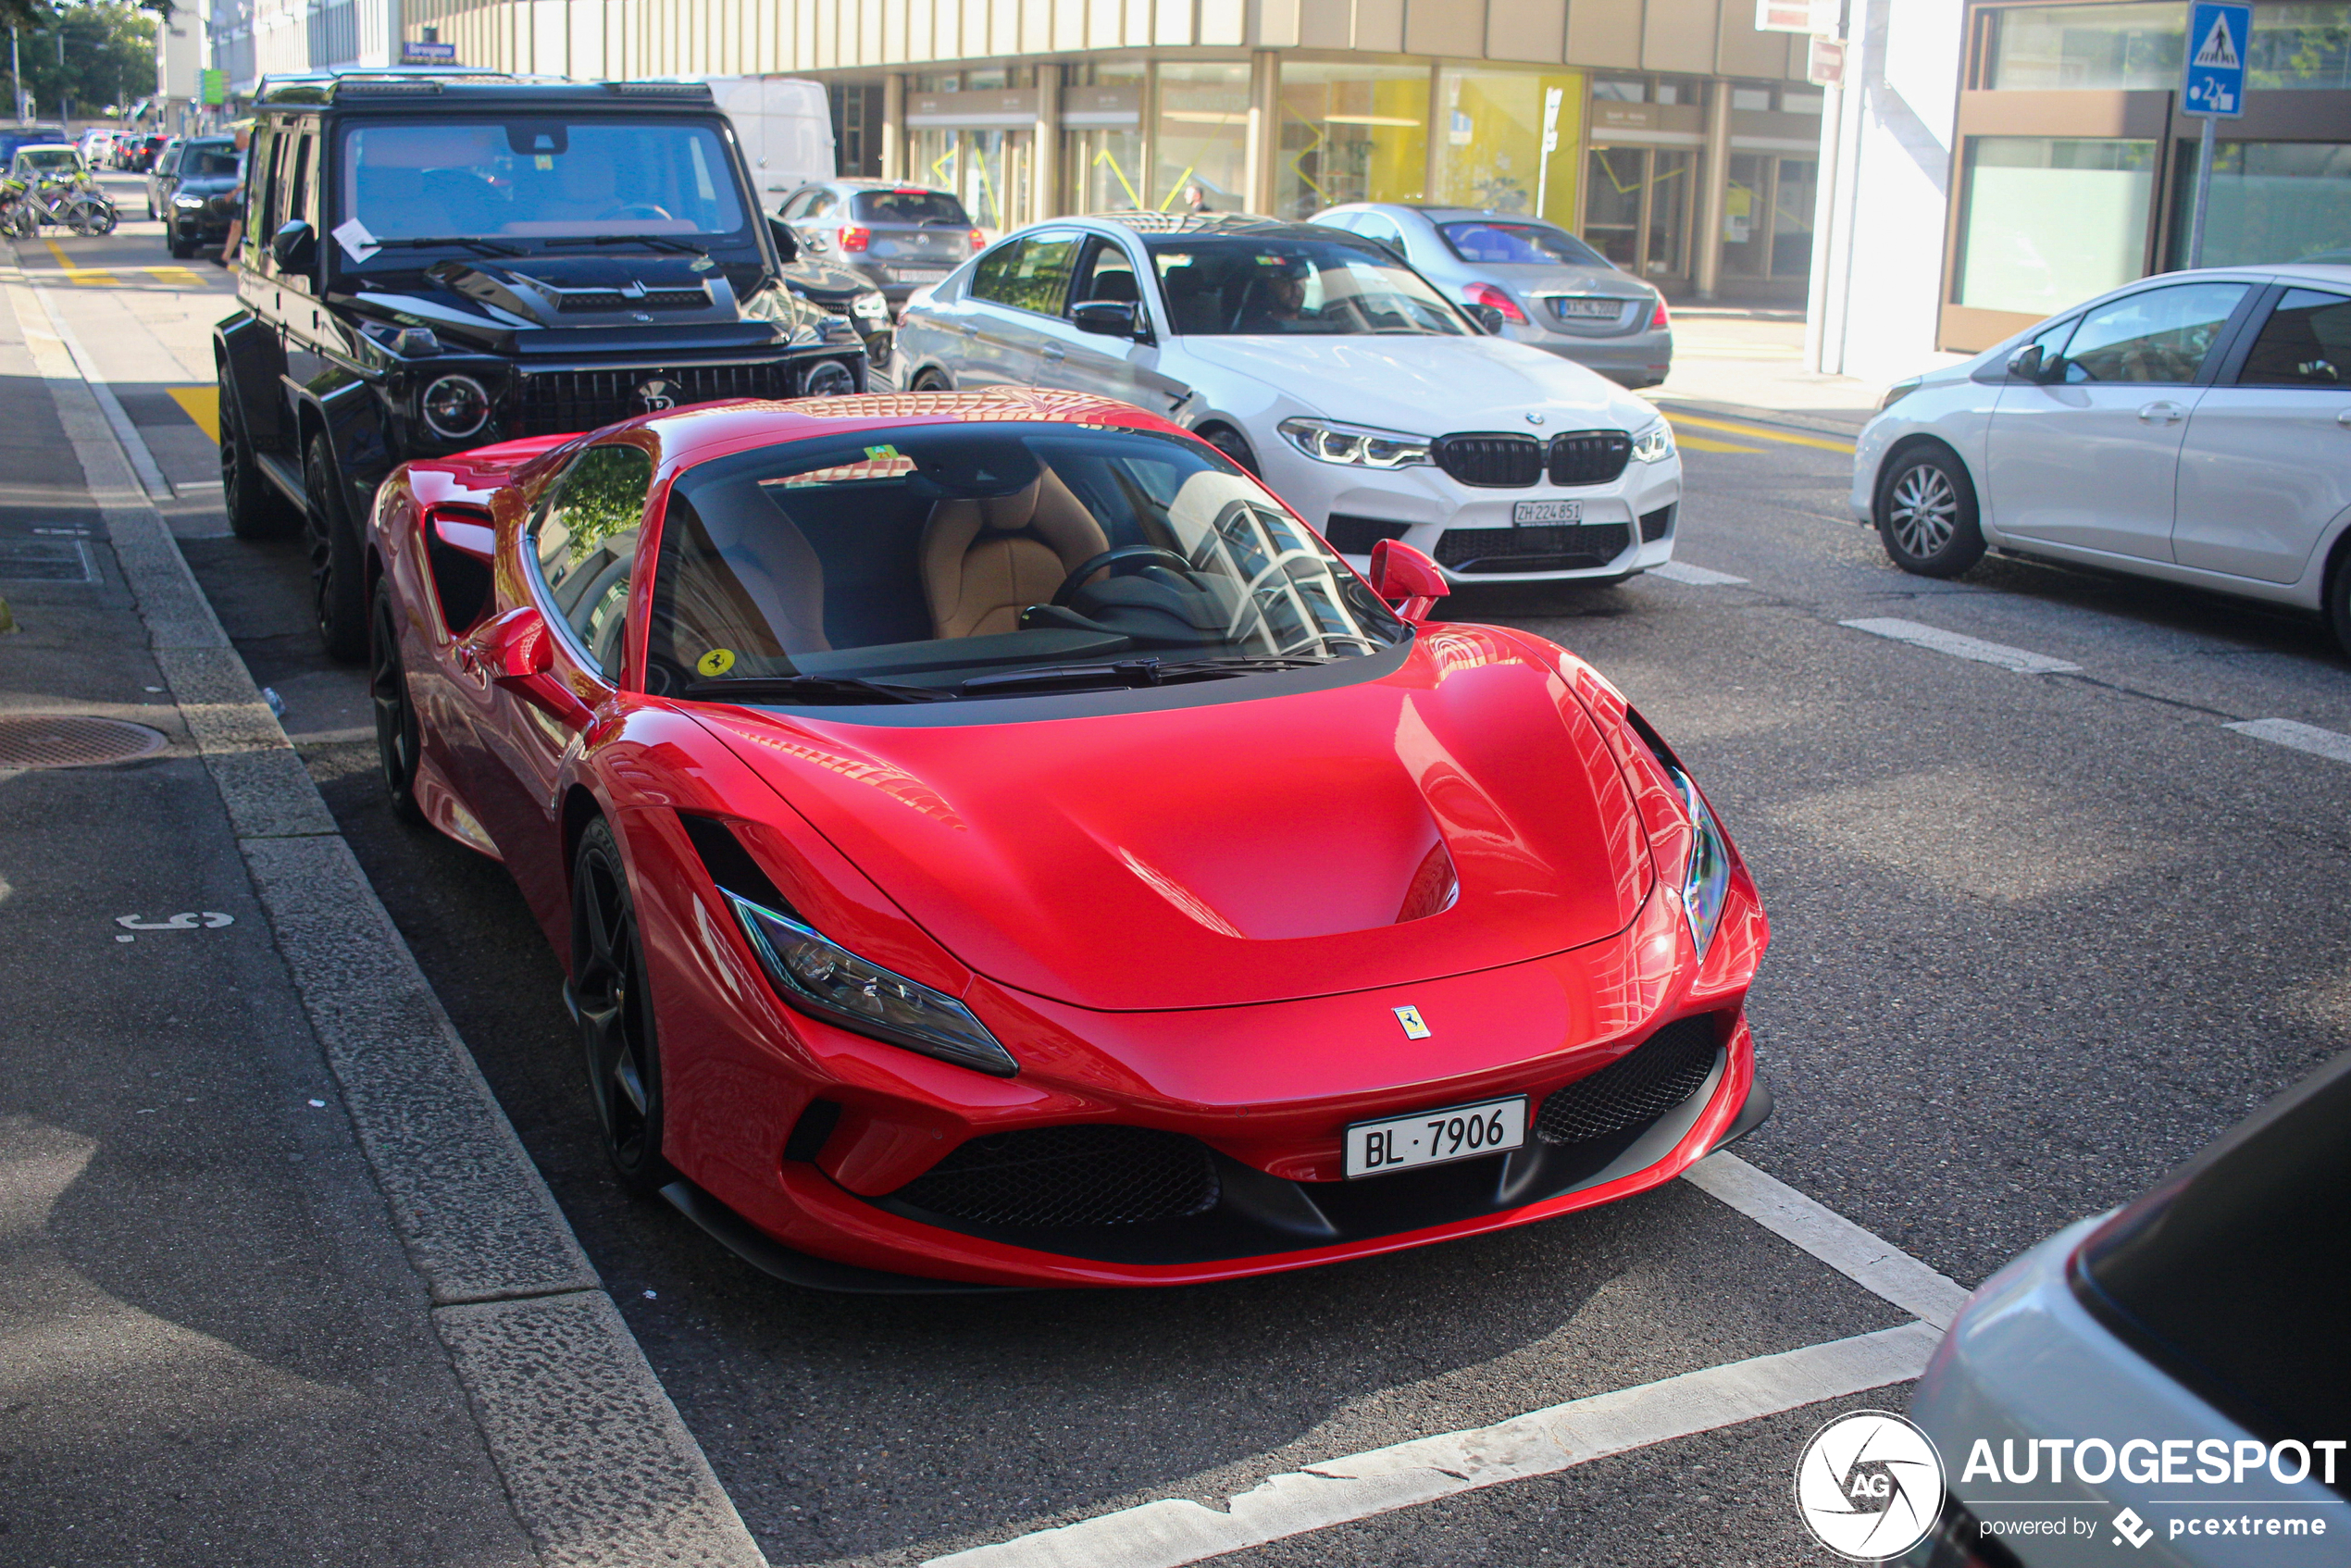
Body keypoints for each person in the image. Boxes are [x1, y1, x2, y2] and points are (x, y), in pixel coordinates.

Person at [218, 122, 251, 268]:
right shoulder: (244, 155)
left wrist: (233, 193)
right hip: (242, 199)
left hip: (248, 199)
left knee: (239, 227)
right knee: (236, 226)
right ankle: (225, 257)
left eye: (237, 138)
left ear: (245, 139)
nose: (235, 142)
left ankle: (227, 257)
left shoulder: (250, 155)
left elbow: (250, 179)